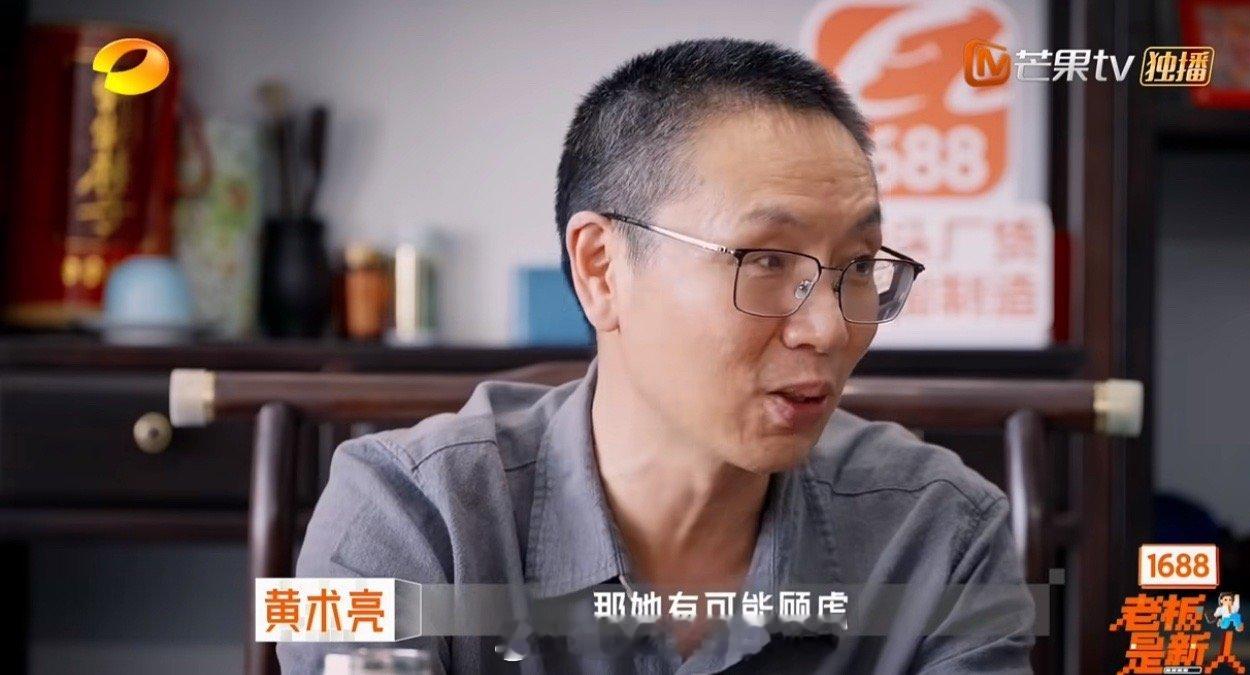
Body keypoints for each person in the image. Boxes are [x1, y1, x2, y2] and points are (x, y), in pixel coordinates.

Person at [280, 37, 1033, 674]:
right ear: (603, 268)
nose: (830, 328)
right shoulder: (400, 515)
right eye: (767, 260)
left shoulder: (940, 529)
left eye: (859, 266)